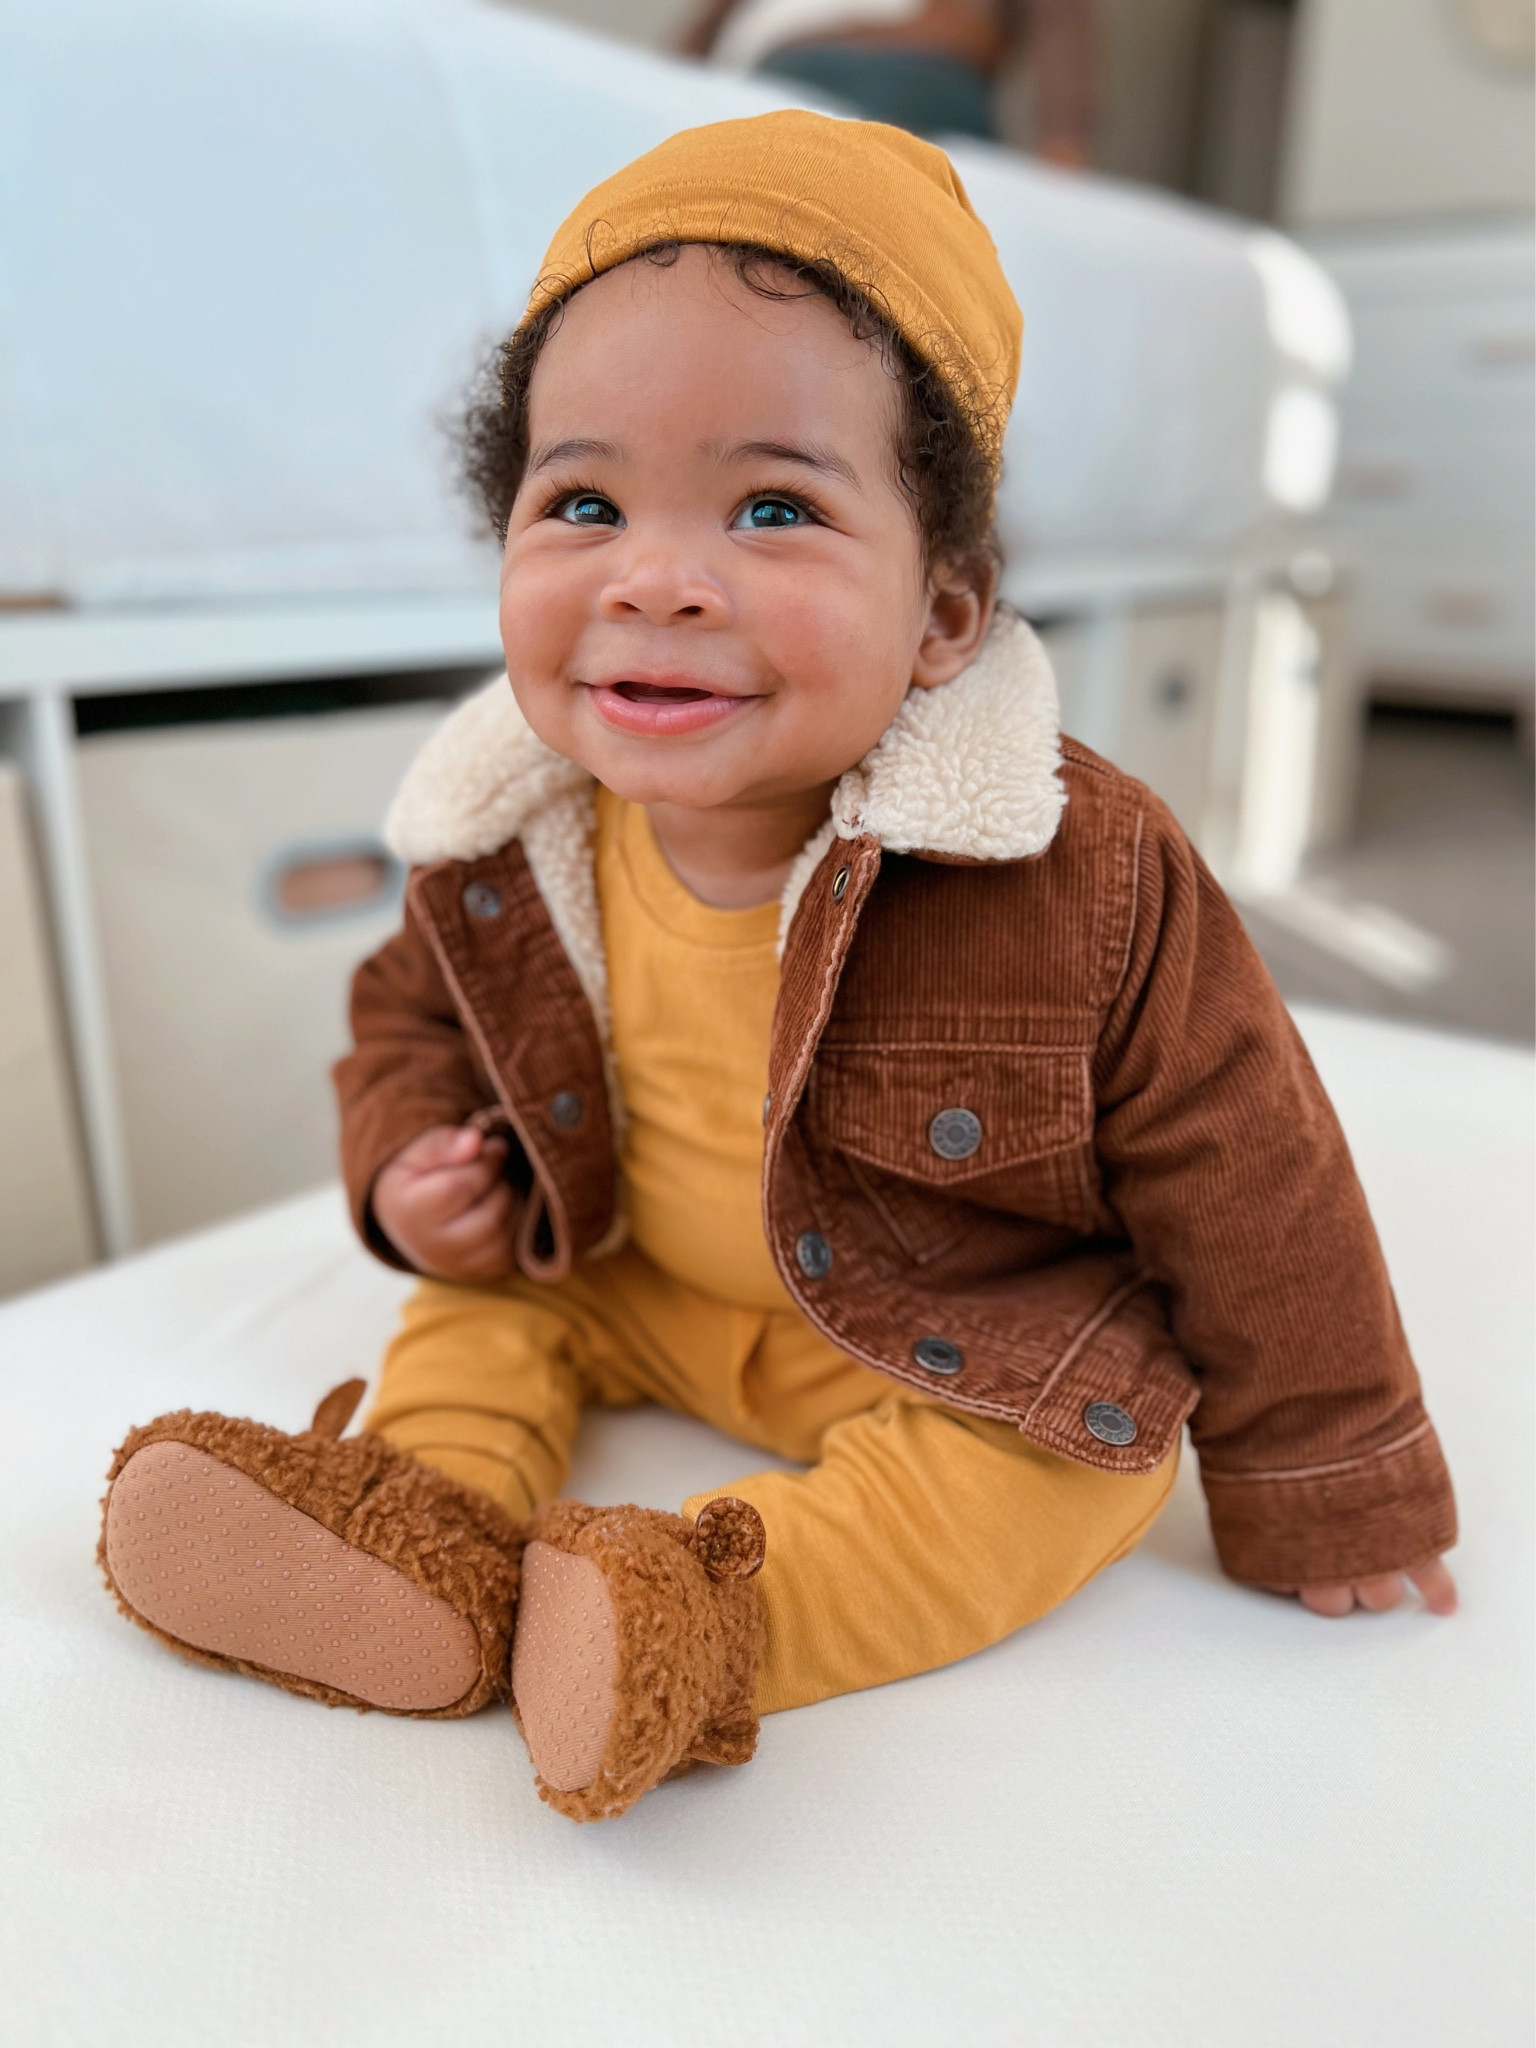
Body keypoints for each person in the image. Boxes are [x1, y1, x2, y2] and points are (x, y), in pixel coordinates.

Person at [98, 111, 1457, 1827]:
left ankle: (695, 1614)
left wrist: (1333, 1477)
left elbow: (1251, 1167)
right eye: (581, 499)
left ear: (944, 614)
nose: (657, 578)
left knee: (1076, 1461)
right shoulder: (509, 831)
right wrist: (408, 1165)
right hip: (623, 1270)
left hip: (937, 1332)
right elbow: (407, 1019)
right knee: (480, 1303)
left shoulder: (1072, 867)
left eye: (770, 506)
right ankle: (418, 1542)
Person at [682, 0, 1095, 161]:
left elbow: (1060, 20)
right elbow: (704, 30)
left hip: (909, 70)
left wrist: (1065, 140)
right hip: (766, 73)